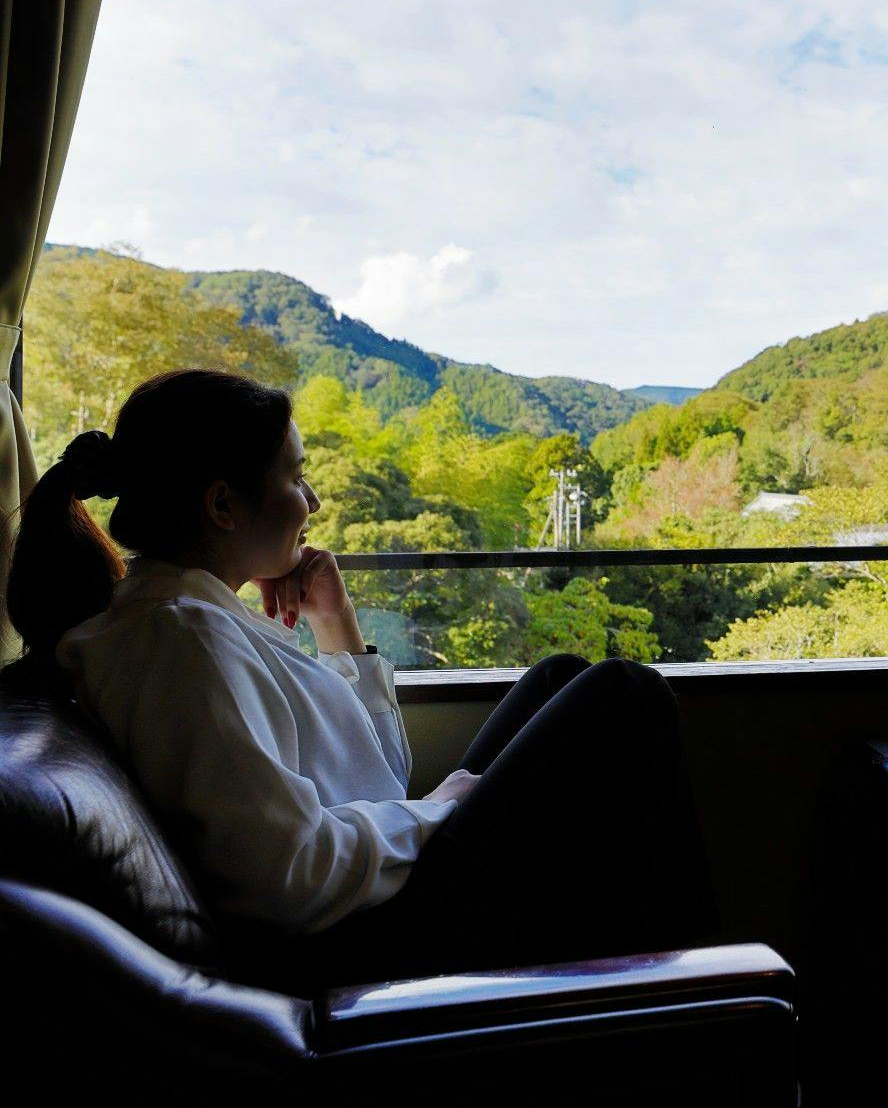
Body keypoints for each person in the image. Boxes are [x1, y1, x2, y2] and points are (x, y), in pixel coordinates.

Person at [5, 368, 717, 986]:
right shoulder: (182, 638)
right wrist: (439, 809)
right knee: (625, 697)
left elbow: (377, 777)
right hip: (372, 939)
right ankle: (693, 998)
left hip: (376, 902)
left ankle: (634, 976)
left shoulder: (195, 613)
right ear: (222, 506)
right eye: (295, 477)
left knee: (560, 675)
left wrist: (335, 623)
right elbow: (287, 876)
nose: (312, 500)